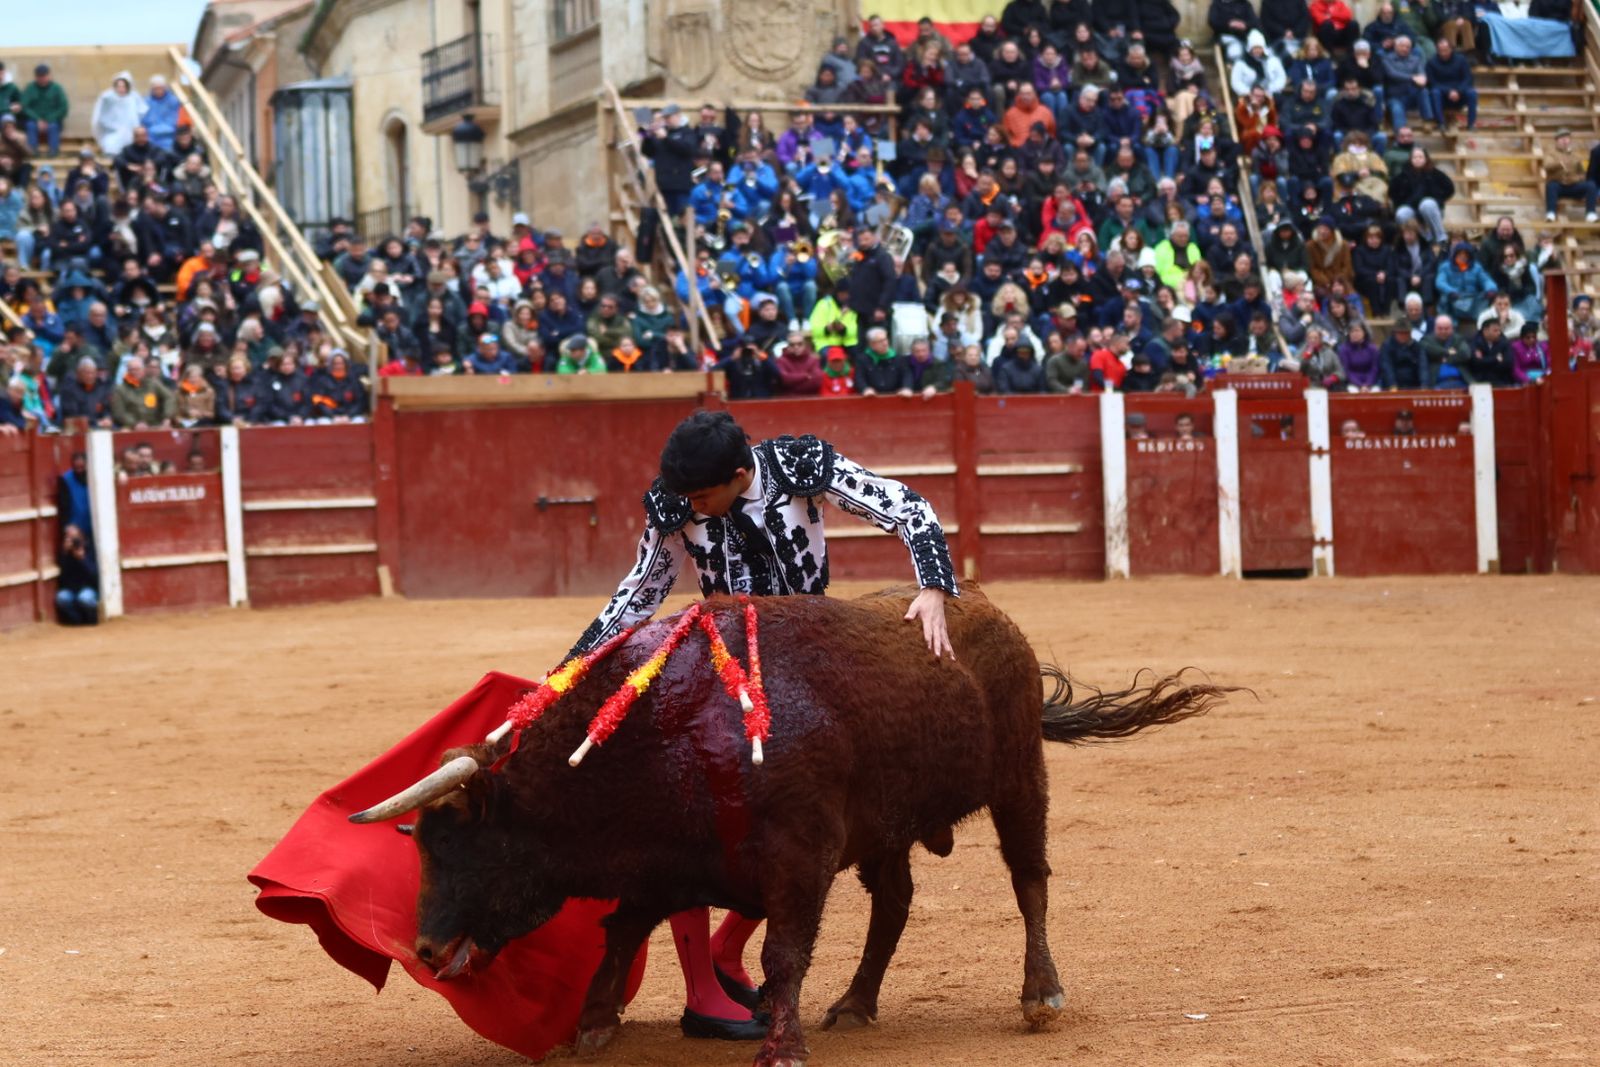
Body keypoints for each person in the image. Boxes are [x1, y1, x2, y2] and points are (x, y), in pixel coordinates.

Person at [566, 410, 956, 1041]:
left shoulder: (800, 465)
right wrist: (573, 670)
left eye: (701, 497)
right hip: (722, 656)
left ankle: (727, 952)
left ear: (741, 473)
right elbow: (641, 590)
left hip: (809, 649)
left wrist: (934, 587)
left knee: (814, 814)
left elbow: (908, 507)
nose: (688, 507)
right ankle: (700, 992)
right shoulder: (676, 500)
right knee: (688, 810)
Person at [1542, 129, 1598, 223]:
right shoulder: (1550, 154)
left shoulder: (1575, 155)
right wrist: (1559, 164)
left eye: (1567, 138)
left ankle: (1590, 213)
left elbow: (1582, 173)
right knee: (1551, 186)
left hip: (1573, 186)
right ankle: (1551, 213)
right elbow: (1547, 166)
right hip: (1559, 186)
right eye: (1562, 138)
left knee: (1591, 185)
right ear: (1556, 140)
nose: (1564, 141)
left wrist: (1578, 178)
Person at [55, 524, 99, 626]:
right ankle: (77, 621)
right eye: (69, 537)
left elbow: (94, 575)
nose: (73, 542)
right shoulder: (65, 553)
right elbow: (62, 576)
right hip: (71, 589)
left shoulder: (89, 549)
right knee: (62, 598)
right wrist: (65, 553)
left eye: (74, 537)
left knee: (85, 598)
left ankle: (91, 622)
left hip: (88, 588)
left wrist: (82, 559)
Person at [21, 64, 68, 157]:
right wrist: (37, 119)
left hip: (52, 120)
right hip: (34, 121)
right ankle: (33, 150)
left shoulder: (57, 88)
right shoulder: (30, 88)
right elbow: (24, 106)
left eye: (44, 75)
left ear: (49, 75)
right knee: (30, 125)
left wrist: (48, 120)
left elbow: (64, 107)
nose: (42, 78)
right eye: (39, 76)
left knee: (53, 126)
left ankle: (53, 150)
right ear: (35, 77)